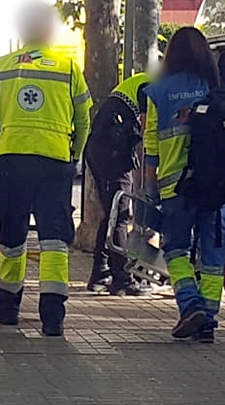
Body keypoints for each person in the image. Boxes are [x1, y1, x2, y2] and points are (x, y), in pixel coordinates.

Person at [0, 1, 92, 337]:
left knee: (12, 235)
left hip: (12, 162)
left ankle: (7, 307)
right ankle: (52, 316)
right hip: (55, 163)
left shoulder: (4, 66)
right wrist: (74, 156)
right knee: (54, 239)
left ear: (21, 29)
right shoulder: (68, 68)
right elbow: (83, 120)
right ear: (50, 29)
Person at [143, 26, 225, 343]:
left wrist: (150, 190)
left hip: (175, 186)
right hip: (218, 187)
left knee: (175, 249)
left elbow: (151, 146)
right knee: (212, 257)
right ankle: (207, 321)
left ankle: (190, 304)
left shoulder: (157, 91)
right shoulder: (216, 87)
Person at [84, 71, 152, 296]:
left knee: (112, 213)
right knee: (121, 215)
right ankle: (122, 279)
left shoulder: (142, 82)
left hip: (101, 146)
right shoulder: (149, 86)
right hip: (113, 149)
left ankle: (101, 271)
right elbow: (146, 130)